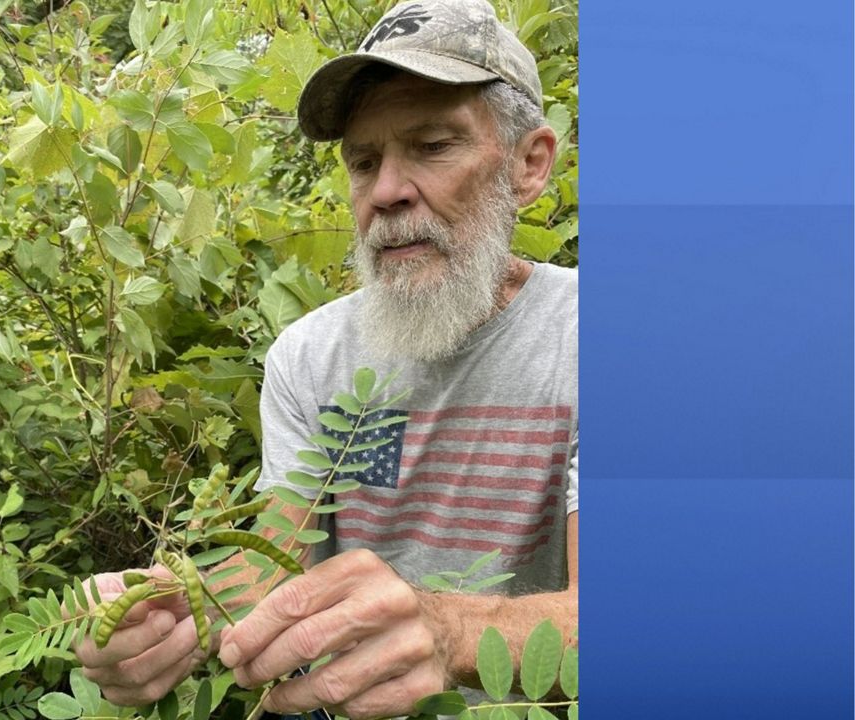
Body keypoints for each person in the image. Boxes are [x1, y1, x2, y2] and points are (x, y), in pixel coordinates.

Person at [75, 1, 578, 717]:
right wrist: (179, 613)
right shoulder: (310, 357)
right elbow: (275, 569)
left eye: (433, 146)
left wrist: (441, 633)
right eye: (363, 161)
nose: (386, 192)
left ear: (529, 166)